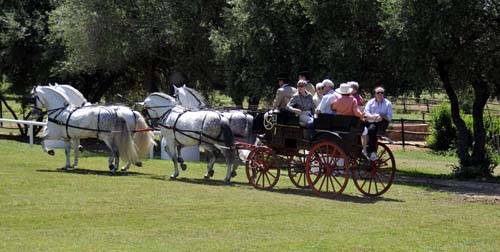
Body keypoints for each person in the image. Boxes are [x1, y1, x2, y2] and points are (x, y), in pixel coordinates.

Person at [364, 86, 393, 161]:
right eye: (378, 93)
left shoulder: (388, 103)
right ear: (375, 94)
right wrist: (372, 116)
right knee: (357, 129)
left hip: (381, 123)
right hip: (370, 121)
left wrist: (382, 116)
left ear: (383, 94)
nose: (380, 94)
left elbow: (389, 117)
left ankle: (372, 151)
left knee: (371, 130)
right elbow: (366, 112)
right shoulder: (370, 102)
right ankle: (362, 149)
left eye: (382, 93)